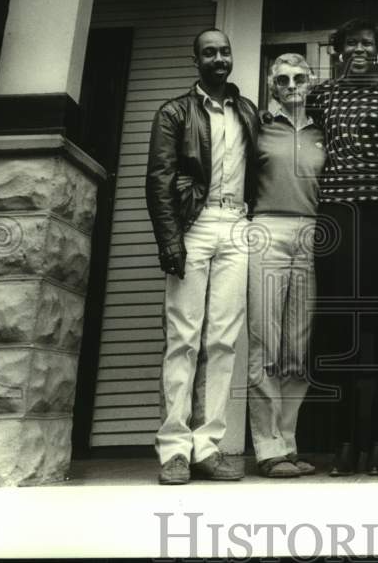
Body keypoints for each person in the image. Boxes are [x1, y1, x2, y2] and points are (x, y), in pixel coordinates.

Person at [145, 28, 259, 485]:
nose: (218, 58)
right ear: (195, 60)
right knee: (183, 338)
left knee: (223, 341)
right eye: (209, 52)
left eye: (225, 51)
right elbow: (159, 178)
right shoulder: (174, 111)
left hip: (237, 226)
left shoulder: (246, 111)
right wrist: (169, 239)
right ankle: (174, 449)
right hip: (194, 226)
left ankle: (207, 448)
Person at [307, 17, 378, 476]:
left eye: (368, 44)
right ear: (337, 50)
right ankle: (345, 442)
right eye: (350, 42)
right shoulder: (321, 96)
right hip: (337, 218)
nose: (359, 49)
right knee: (342, 332)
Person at [246, 53, 326, 478]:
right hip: (266, 232)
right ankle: (267, 449)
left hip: (311, 234)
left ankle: (289, 443)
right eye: (282, 80)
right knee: (265, 342)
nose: (291, 85)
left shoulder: (322, 130)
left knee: (297, 348)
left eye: (298, 78)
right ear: (272, 85)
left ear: (310, 82)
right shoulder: (258, 127)